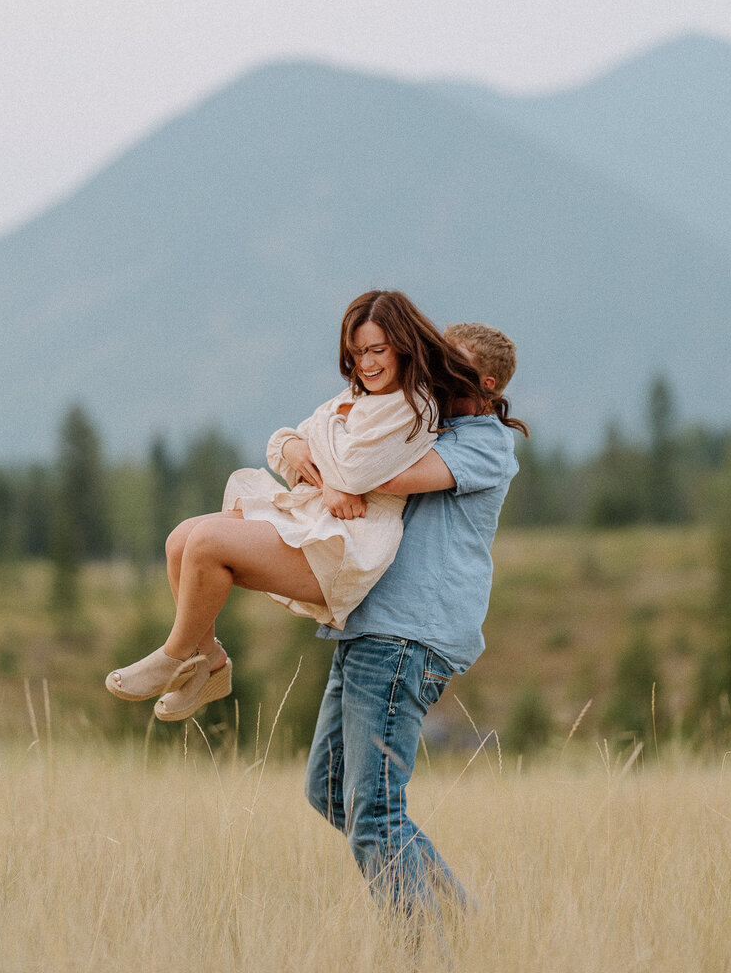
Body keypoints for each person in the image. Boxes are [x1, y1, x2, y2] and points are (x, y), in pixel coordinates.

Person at [105, 290, 486, 722]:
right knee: (181, 540)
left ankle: (174, 655)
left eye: (377, 350)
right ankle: (208, 663)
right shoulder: (361, 394)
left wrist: (316, 441)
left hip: (348, 540)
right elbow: (283, 444)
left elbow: (353, 470)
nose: (367, 363)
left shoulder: (413, 404)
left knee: (208, 542)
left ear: (403, 345)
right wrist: (304, 449)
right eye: (358, 352)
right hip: (316, 513)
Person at [303, 322, 528, 921]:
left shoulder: (483, 443)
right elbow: (316, 444)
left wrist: (326, 468)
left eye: (445, 362)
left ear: (483, 384)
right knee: (329, 791)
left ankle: (424, 951)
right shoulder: (418, 425)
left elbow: (373, 473)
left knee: (374, 810)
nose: (427, 369)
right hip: (369, 626)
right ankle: (463, 920)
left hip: (410, 633)